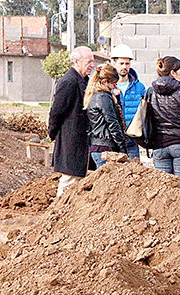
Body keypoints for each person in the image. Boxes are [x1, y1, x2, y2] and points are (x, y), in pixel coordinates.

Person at [48, 46, 95, 197]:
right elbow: (57, 111)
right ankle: (57, 214)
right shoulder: (69, 82)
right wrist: (52, 131)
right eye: (88, 62)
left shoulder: (84, 81)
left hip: (81, 140)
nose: (92, 65)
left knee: (77, 179)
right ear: (76, 61)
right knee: (69, 179)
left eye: (92, 62)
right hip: (71, 139)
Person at [84, 64, 127, 169]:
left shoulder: (93, 95)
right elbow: (113, 123)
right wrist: (122, 147)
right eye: (113, 84)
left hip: (97, 145)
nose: (114, 87)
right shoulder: (104, 97)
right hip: (105, 147)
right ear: (105, 82)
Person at [109, 44, 145, 160]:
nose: (124, 66)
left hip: (132, 141)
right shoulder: (107, 87)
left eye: (127, 63)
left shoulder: (139, 87)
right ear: (114, 63)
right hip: (112, 141)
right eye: (121, 63)